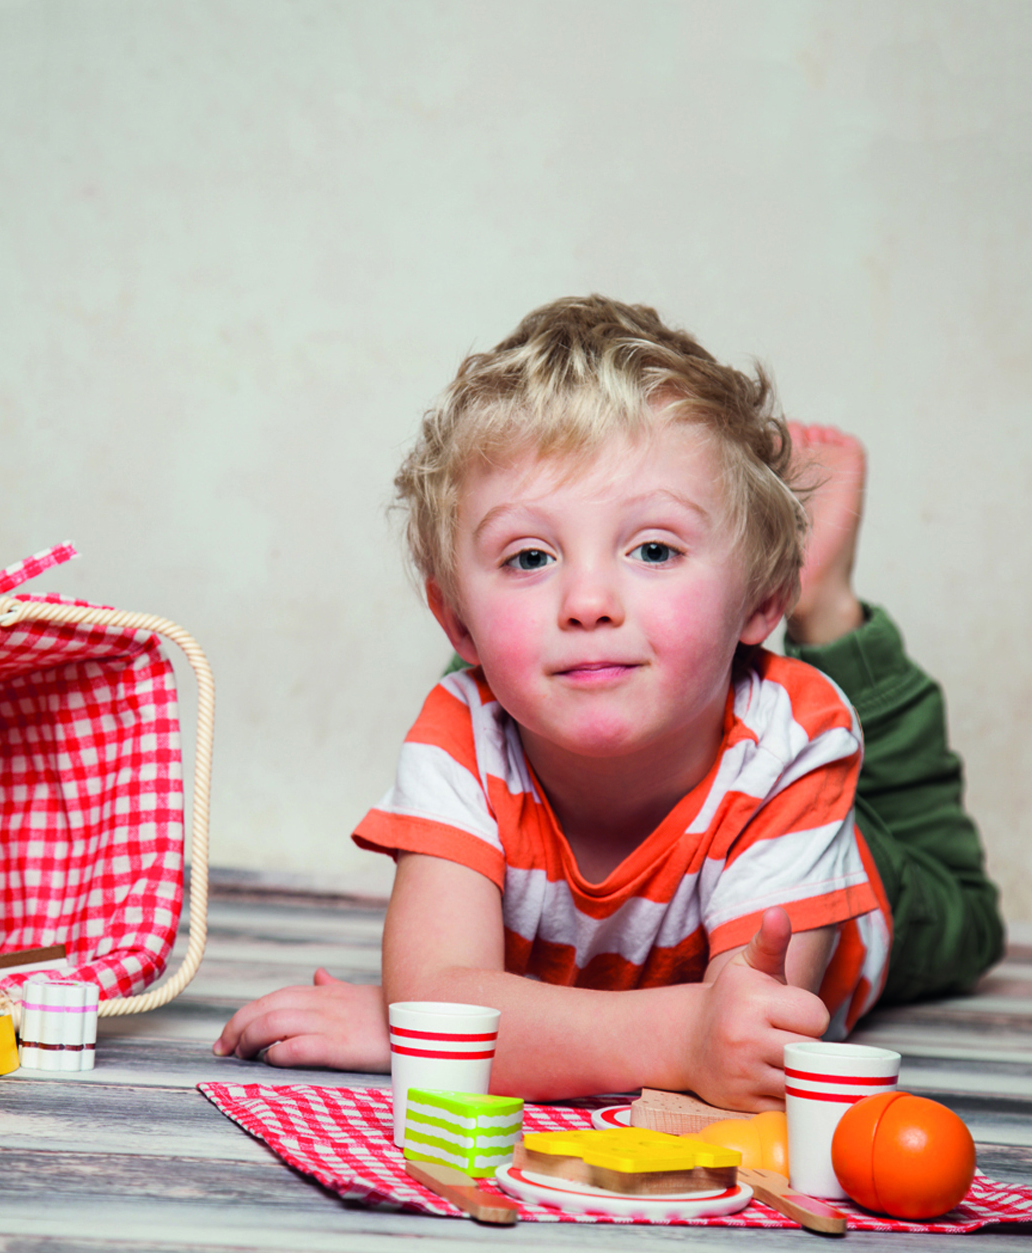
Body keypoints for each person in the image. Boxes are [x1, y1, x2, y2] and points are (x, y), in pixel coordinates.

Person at [213, 296, 1003, 1109]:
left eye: (654, 548)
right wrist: (674, 1036)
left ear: (760, 603)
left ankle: (824, 603)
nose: (588, 598)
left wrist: (446, 1035)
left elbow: (751, 1043)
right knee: (530, 668)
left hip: (863, 873)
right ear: (451, 621)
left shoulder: (793, 741)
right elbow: (441, 1006)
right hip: (551, 696)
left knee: (964, 915)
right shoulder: (460, 732)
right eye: (531, 556)